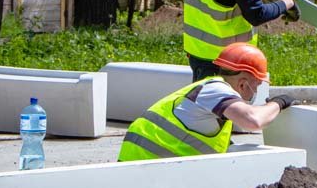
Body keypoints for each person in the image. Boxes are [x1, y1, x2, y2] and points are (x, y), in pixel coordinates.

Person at [118, 43, 295, 161]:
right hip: (145, 164)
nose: (255, 91)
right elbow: (253, 121)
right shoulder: (215, 89)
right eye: (256, 85)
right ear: (242, 83)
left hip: (147, 164)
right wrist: (278, 103)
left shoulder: (210, 92)